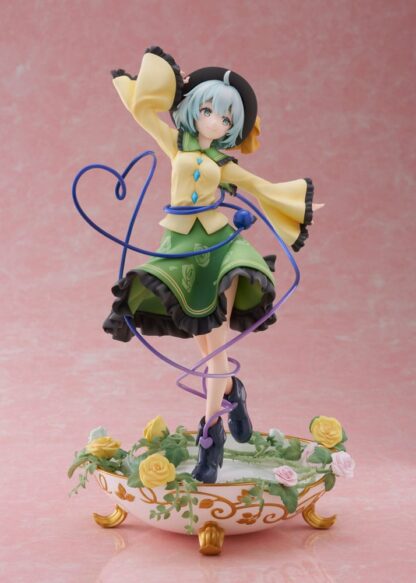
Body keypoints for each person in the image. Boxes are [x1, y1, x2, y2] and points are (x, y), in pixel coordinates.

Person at [103, 46, 323, 483]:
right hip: (180, 250)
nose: (215, 122)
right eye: (207, 111)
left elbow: (261, 186)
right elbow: (143, 115)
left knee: (216, 349)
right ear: (192, 110)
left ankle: (211, 435)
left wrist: (299, 206)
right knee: (204, 346)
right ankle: (233, 392)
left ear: (231, 128)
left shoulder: (224, 165)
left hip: (220, 250)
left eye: (225, 118)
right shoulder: (175, 144)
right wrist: (160, 84)